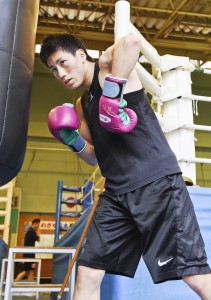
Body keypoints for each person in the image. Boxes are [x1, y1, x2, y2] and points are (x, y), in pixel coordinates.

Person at [40, 34, 211, 300]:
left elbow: (132, 42)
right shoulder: (82, 106)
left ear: (81, 56)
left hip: (156, 183)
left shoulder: (108, 68)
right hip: (116, 195)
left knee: (194, 274)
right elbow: (95, 158)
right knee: (87, 274)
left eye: (63, 62)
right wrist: (72, 140)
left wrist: (112, 93)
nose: (60, 73)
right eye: (53, 70)